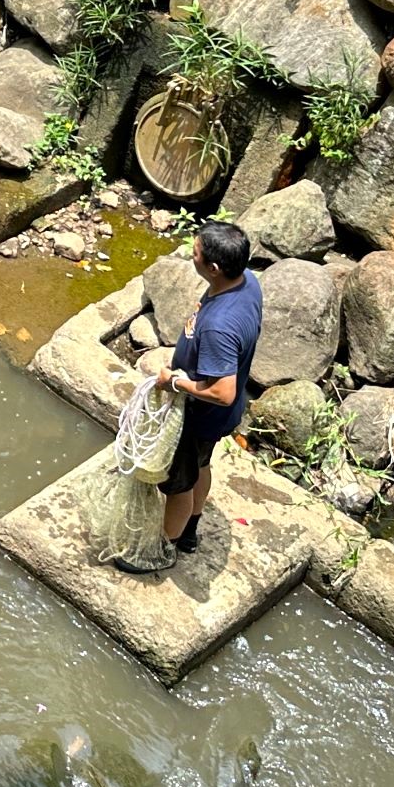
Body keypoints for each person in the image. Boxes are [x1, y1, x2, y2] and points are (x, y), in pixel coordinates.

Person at [139, 218, 263, 568]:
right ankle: (191, 528)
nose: (189, 255)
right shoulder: (247, 282)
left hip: (200, 415)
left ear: (213, 267)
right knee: (201, 464)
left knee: (177, 483)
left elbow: (222, 391)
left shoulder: (220, 326)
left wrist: (175, 381)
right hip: (220, 418)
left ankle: (162, 550)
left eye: (194, 253)